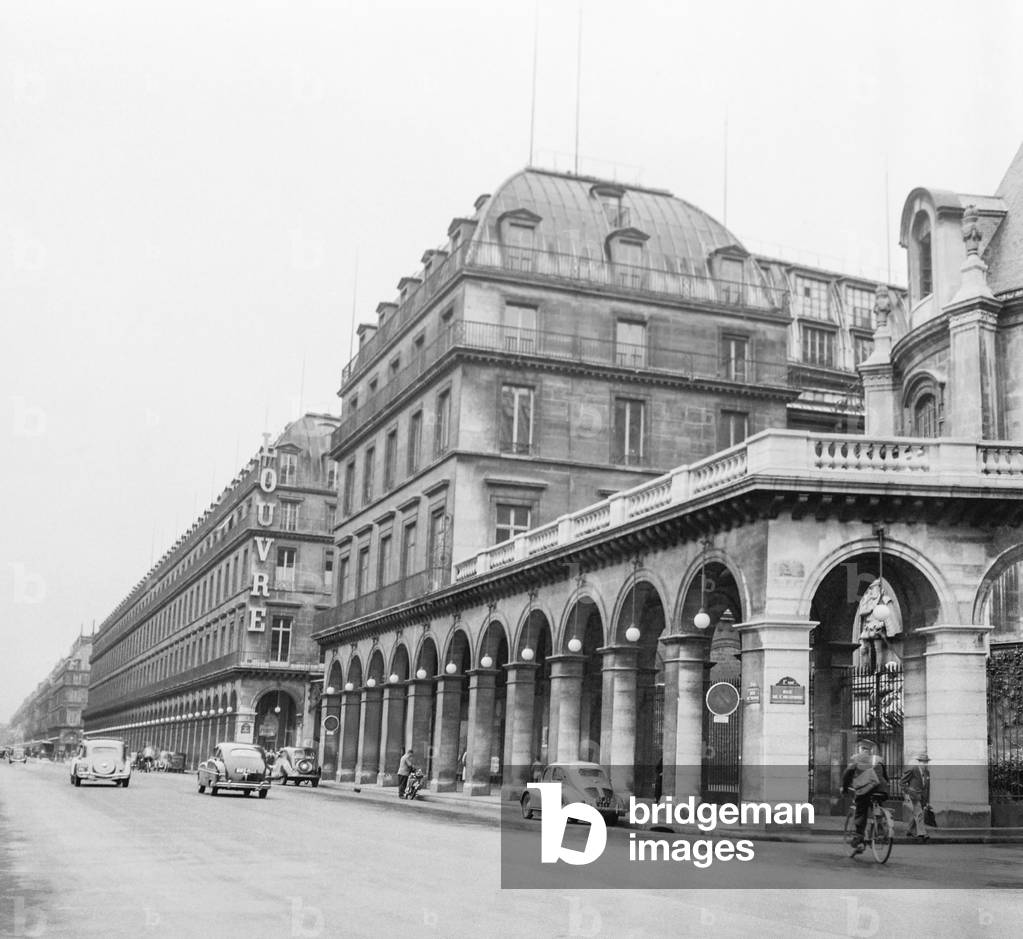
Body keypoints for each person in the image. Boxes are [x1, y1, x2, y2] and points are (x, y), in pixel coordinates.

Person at [841, 739, 889, 855]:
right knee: (877, 807)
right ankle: (879, 828)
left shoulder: (857, 759)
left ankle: (859, 839)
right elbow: (885, 777)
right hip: (881, 790)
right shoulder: (878, 759)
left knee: (861, 811)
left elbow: (847, 774)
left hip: (866, 791)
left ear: (860, 749)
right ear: (871, 750)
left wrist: (845, 788)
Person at [900, 751, 931, 842]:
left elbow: (927, 787)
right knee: (919, 813)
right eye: (923, 762)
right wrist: (908, 791)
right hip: (913, 795)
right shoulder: (913, 769)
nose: (925, 764)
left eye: (926, 762)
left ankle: (909, 830)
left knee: (917, 814)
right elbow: (902, 782)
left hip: (922, 797)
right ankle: (922, 833)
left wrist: (927, 801)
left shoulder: (927, 772)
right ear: (919, 762)